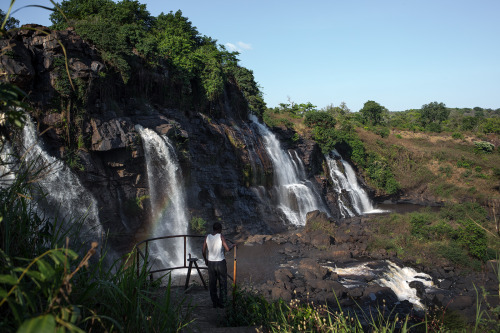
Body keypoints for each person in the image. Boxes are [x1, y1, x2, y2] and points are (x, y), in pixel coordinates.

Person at [202, 222, 235, 308]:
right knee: (222, 283)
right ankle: (222, 303)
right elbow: (227, 249)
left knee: (212, 284)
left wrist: (206, 260)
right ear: (220, 229)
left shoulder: (207, 237)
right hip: (220, 263)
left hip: (211, 263)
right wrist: (233, 245)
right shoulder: (221, 236)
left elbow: (203, 250)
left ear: (213, 229)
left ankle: (215, 303)